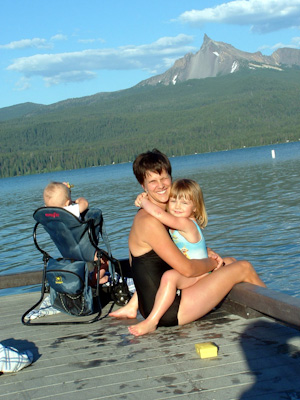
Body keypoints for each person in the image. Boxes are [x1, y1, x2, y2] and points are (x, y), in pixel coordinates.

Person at [109, 149, 266, 332]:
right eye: (152, 181)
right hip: (168, 309)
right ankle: (279, 314)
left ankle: (270, 311)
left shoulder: (166, 212)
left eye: (164, 178)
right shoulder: (149, 221)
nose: (160, 185)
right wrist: (210, 263)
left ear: (171, 177)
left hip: (160, 299)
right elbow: (187, 269)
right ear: (143, 186)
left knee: (230, 262)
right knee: (244, 267)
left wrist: (206, 253)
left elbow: (173, 251)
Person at [128, 178, 216, 336]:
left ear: (195, 207)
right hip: (193, 271)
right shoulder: (179, 223)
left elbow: (158, 213)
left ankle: (152, 321)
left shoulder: (185, 223)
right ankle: (132, 304)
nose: (177, 206)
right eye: (173, 201)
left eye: (184, 203)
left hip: (200, 272)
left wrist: (144, 201)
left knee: (169, 277)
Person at [43, 181, 108, 284]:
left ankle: (85, 279)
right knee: (105, 259)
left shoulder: (47, 215)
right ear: (67, 203)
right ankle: (94, 280)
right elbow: (85, 204)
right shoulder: (70, 212)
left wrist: (66, 195)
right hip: (84, 251)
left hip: (67, 253)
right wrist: (77, 200)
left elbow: (56, 202)